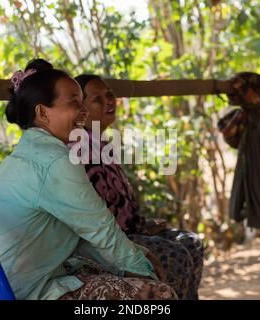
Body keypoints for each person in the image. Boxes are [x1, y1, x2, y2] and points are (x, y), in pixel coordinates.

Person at [0, 59, 177, 300]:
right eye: (74, 101)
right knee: (159, 295)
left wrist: (138, 254)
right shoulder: (54, 160)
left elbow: (82, 234)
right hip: (26, 293)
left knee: (121, 270)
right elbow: (101, 230)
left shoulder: (27, 154)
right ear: (42, 112)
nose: (84, 111)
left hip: (6, 287)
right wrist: (146, 272)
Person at [73, 73, 204, 300]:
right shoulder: (79, 145)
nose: (109, 101)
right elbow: (95, 212)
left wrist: (142, 225)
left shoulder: (101, 143)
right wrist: (140, 229)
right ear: (80, 108)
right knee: (176, 255)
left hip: (130, 231)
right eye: (97, 99)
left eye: (110, 95)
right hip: (104, 241)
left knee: (191, 242)